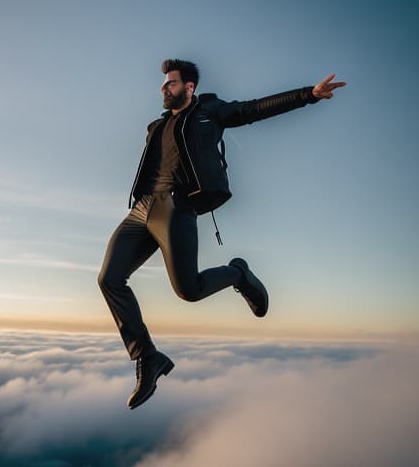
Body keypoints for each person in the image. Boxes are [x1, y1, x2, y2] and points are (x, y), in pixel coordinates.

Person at [97, 59, 346, 409]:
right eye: (163, 83)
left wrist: (310, 95)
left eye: (170, 83)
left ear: (189, 87)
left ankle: (238, 274)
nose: (163, 88)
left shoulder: (209, 112)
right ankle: (147, 357)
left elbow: (254, 110)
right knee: (109, 278)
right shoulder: (155, 125)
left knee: (189, 291)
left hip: (176, 206)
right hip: (141, 210)